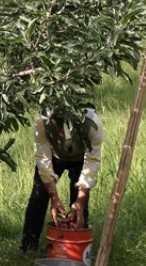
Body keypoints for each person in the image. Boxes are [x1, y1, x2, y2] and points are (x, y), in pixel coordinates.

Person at [18, 106, 104, 256]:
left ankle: (76, 251)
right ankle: (28, 248)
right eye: (56, 125)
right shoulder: (42, 121)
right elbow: (43, 159)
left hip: (80, 159)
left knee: (79, 206)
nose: (61, 132)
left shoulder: (92, 123)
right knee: (38, 197)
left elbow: (92, 161)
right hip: (54, 157)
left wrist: (80, 201)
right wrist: (54, 197)